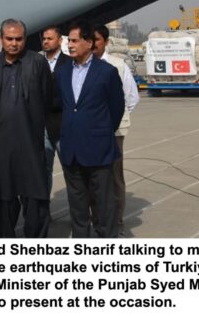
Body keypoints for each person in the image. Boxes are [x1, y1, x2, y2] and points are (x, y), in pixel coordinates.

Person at [0, 19, 52, 238]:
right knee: (2, 199)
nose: (14, 43)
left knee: (35, 198)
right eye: (9, 39)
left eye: (18, 39)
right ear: (1, 39)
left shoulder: (37, 63)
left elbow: (47, 98)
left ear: (25, 39)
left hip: (30, 143)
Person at [54, 21, 125, 238]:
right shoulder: (62, 72)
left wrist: (99, 132)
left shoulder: (107, 72)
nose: (70, 45)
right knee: (77, 207)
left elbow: (116, 108)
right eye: (69, 41)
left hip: (99, 150)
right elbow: (58, 107)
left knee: (103, 206)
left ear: (89, 42)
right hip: (71, 151)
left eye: (75, 41)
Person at [93, 24, 139, 236]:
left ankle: (117, 223)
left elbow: (131, 99)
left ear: (106, 42)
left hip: (114, 132)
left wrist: (112, 120)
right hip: (90, 132)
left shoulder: (118, 66)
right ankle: (97, 221)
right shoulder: (80, 66)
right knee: (92, 178)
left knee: (114, 177)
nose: (93, 44)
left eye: (97, 40)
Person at [40, 25, 71, 197]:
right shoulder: (37, 62)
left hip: (63, 126)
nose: (46, 42)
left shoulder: (70, 63)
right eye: (44, 39)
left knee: (71, 170)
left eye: (50, 38)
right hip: (41, 126)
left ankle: (78, 210)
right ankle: (43, 208)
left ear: (59, 40)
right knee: (43, 171)